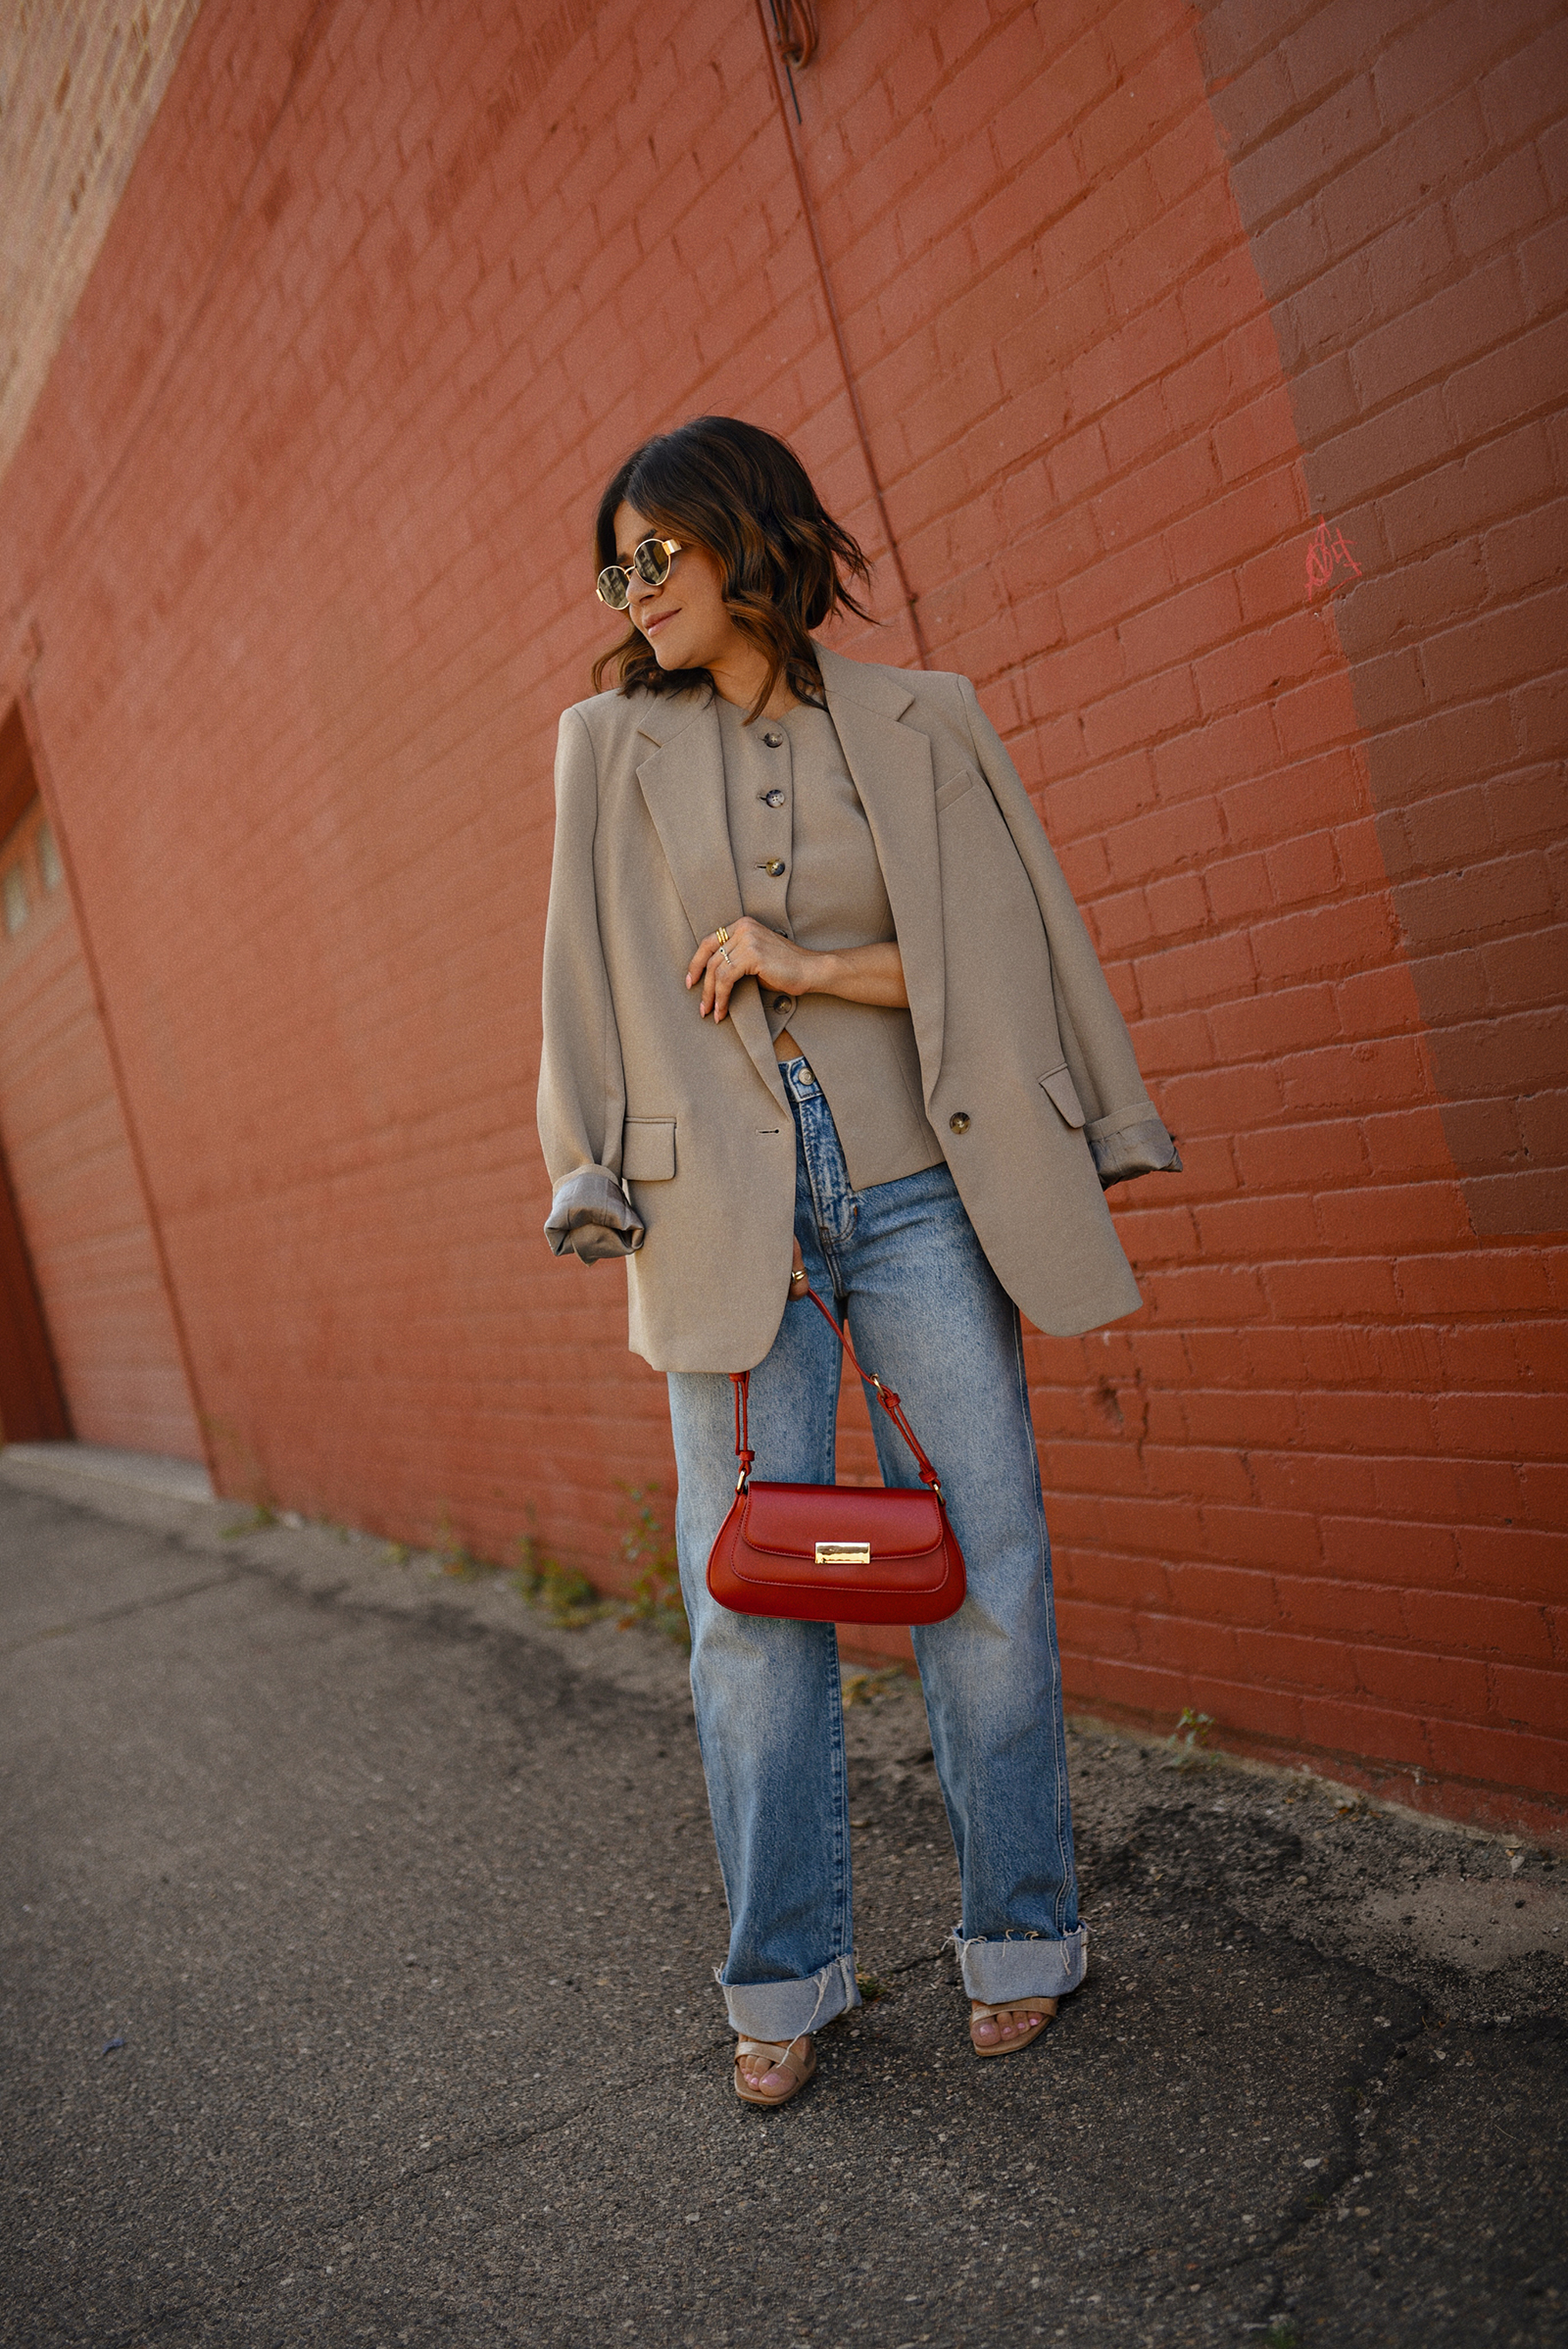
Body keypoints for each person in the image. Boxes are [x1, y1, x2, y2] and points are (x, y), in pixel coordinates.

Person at [537, 416, 1178, 2107]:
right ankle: (784, 1972)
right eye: (616, 567)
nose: (633, 589)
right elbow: (578, 976)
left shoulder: (922, 716)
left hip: (918, 1196)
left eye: (652, 553)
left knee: (989, 1562)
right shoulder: (606, 743)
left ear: (744, 539)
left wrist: (807, 958)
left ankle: (1025, 1934)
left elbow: (1007, 937)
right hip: (717, 1216)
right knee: (751, 1602)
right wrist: (587, 1167)